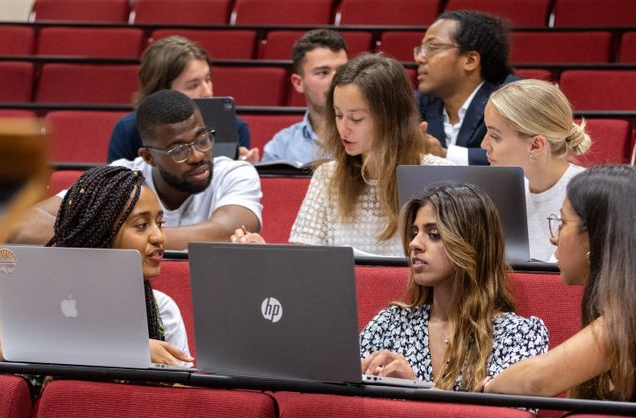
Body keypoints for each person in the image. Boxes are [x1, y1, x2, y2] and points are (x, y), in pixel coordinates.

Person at [233, 53, 452, 255]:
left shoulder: (440, 176)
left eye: (356, 118)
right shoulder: (327, 177)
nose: (343, 128)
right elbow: (305, 265)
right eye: (338, 115)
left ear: (392, 119)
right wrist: (263, 253)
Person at [481, 165, 636, 402]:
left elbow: (537, 379)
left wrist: (489, 387)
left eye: (562, 223)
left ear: (595, 237)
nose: (554, 238)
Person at [9, 90, 262, 250]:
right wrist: (125, 238)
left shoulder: (235, 173)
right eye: (178, 150)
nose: (197, 156)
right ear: (148, 157)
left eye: (202, 139)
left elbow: (222, 234)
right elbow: (22, 225)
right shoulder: (120, 177)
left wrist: (115, 237)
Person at [0, 166, 193, 367]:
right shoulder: (31, 295)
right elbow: (1, 346)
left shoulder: (162, 309)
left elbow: (181, 392)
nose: (159, 237)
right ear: (100, 234)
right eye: (142, 225)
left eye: (160, 223)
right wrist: (128, 349)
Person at [360, 183, 549, 390]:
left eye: (434, 234)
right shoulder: (390, 323)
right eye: (414, 232)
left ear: (471, 244)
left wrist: (416, 389)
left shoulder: (518, 334)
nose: (414, 243)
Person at [481, 79, 591, 261]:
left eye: (495, 136)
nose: (484, 145)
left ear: (535, 145)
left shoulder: (588, 197)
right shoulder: (499, 192)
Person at [107, 35, 253, 163]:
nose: (207, 92)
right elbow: (115, 189)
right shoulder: (129, 129)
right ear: (162, 91)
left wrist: (244, 170)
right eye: (193, 85)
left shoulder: (236, 127)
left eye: (208, 79)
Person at [415, 10, 518, 165]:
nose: (419, 58)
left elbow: (521, 154)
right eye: (420, 49)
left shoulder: (514, 97)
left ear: (470, 60)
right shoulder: (418, 102)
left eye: (433, 47)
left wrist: (444, 154)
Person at [256, 29, 348, 164]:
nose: (336, 80)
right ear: (298, 83)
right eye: (323, 72)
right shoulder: (280, 147)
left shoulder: (372, 138)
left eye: (342, 71)